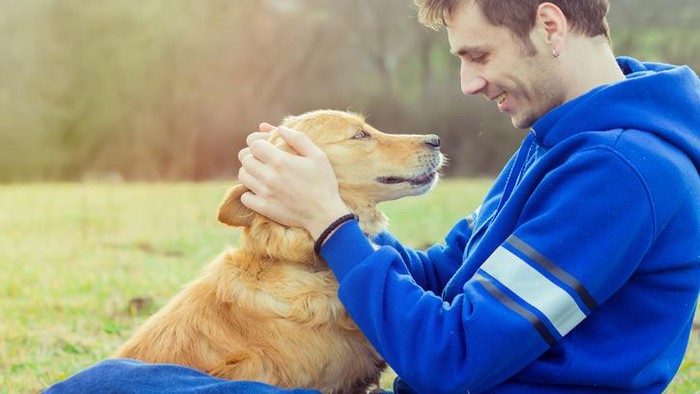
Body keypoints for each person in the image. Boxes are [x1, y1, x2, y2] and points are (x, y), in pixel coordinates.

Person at [46, 0, 699, 393]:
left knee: (114, 386)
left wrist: (331, 224)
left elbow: (453, 359)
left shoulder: (623, 172)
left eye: (477, 55)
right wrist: (306, 225)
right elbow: (445, 272)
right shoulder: (568, 141)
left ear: (550, 25)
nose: (468, 83)